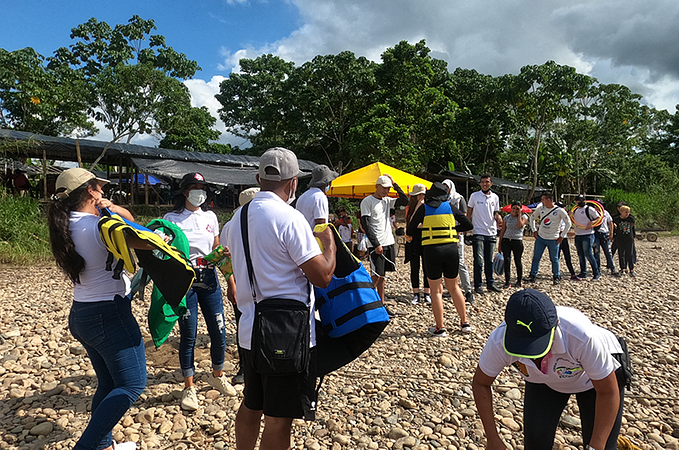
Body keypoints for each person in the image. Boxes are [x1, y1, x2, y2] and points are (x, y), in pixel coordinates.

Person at [221, 147, 336, 450]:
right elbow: (322, 275)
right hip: (286, 334)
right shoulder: (290, 218)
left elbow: (228, 261)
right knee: (278, 418)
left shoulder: (236, 219)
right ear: (294, 182)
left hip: (250, 329)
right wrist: (329, 244)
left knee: (251, 403)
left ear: (258, 178)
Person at [47, 168, 147, 450]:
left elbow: (128, 220)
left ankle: (103, 444)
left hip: (82, 313)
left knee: (107, 382)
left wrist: (110, 208)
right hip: (109, 314)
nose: (103, 192)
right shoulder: (99, 227)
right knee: (132, 384)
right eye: (99, 188)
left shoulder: (67, 224)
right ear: (91, 190)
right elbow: (139, 233)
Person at [472, 289, 627, 450]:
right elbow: (481, 383)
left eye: (538, 346)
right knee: (535, 444)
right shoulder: (499, 340)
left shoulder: (581, 336)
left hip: (593, 383)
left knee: (601, 445)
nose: (533, 358)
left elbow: (608, 392)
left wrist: (596, 447)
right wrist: (492, 439)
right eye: (523, 348)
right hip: (544, 381)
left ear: (556, 327)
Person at [163, 172, 236, 411]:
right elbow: (162, 250)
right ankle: (189, 386)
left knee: (219, 329)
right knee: (189, 334)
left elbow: (216, 249)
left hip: (210, 278)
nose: (199, 192)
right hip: (185, 279)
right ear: (184, 191)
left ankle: (217, 374)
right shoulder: (172, 218)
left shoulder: (211, 217)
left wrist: (231, 280)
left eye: (202, 187)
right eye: (193, 187)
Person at [406, 182, 474, 336]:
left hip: (432, 250)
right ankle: (465, 323)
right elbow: (468, 224)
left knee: (436, 291)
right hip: (451, 249)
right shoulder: (450, 206)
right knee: (454, 287)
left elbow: (410, 229)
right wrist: (451, 229)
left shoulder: (424, 208)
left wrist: (425, 228)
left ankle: (440, 328)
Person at [360, 174, 408, 310]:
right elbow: (366, 224)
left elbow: (405, 200)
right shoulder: (367, 201)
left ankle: (381, 304)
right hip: (376, 243)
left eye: (388, 188)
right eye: (384, 188)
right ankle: (366, 303)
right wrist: (376, 244)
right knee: (375, 275)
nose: (386, 191)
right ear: (377, 186)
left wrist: (395, 184)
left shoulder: (388, 200)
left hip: (388, 241)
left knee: (382, 276)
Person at [467, 174, 503, 294]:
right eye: (482, 182)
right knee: (478, 260)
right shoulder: (474, 196)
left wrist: (499, 219)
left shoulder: (495, 198)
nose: (484, 184)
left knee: (489, 260)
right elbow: (469, 213)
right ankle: (478, 285)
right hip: (478, 231)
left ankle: (490, 283)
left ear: (491, 183)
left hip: (491, 232)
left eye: (487, 182)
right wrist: (466, 228)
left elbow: (495, 213)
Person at [526, 193, 571, 285]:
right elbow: (532, 218)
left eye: (543, 199)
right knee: (536, 257)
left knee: (554, 259)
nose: (542, 201)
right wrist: (534, 230)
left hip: (553, 238)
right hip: (541, 237)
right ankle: (533, 275)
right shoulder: (540, 209)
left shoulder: (559, 211)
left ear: (549, 200)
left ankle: (556, 276)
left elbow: (568, 223)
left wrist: (562, 236)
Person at [442, 179, 475, 304]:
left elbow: (464, 215)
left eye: (447, 187)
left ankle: (468, 291)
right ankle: (452, 289)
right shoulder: (442, 200)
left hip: (456, 233)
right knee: (448, 264)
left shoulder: (458, 198)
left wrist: (460, 229)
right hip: (445, 234)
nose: (445, 189)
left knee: (460, 263)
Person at [404, 184, 431, 305]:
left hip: (425, 239)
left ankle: (427, 293)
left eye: (422, 195)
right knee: (414, 267)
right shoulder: (410, 208)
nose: (421, 197)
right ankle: (416, 294)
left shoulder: (428, 207)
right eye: (418, 195)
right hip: (413, 240)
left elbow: (427, 223)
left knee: (427, 267)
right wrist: (418, 208)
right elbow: (411, 223)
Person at [497, 201, 528, 288]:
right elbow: (503, 230)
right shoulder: (507, 217)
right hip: (506, 240)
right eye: (513, 208)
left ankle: (519, 280)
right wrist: (500, 243)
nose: (515, 210)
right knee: (507, 260)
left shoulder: (524, 217)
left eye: (517, 209)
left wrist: (519, 215)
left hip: (517, 240)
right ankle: (507, 280)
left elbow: (519, 225)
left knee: (517, 261)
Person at [571, 194, 601, 280]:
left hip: (588, 234)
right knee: (581, 255)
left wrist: (592, 222)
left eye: (583, 199)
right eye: (579, 200)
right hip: (578, 234)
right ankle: (583, 272)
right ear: (576, 201)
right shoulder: (575, 210)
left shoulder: (589, 209)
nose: (581, 201)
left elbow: (598, 218)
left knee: (588, 254)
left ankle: (596, 273)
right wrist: (570, 215)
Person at [593, 207, 620, 277]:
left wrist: (611, 233)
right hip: (596, 234)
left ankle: (613, 269)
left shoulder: (605, 212)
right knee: (596, 252)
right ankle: (597, 269)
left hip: (605, 234)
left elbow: (610, 222)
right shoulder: (592, 212)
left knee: (608, 252)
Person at [613, 205, 636, 276]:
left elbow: (633, 225)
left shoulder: (630, 218)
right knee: (621, 253)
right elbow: (614, 227)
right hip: (620, 238)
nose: (627, 213)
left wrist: (633, 237)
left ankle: (631, 269)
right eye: (625, 212)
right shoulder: (617, 219)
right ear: (621, 212)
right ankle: (622, 268)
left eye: (628, 212)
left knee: (629, 253)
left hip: (629, 238)